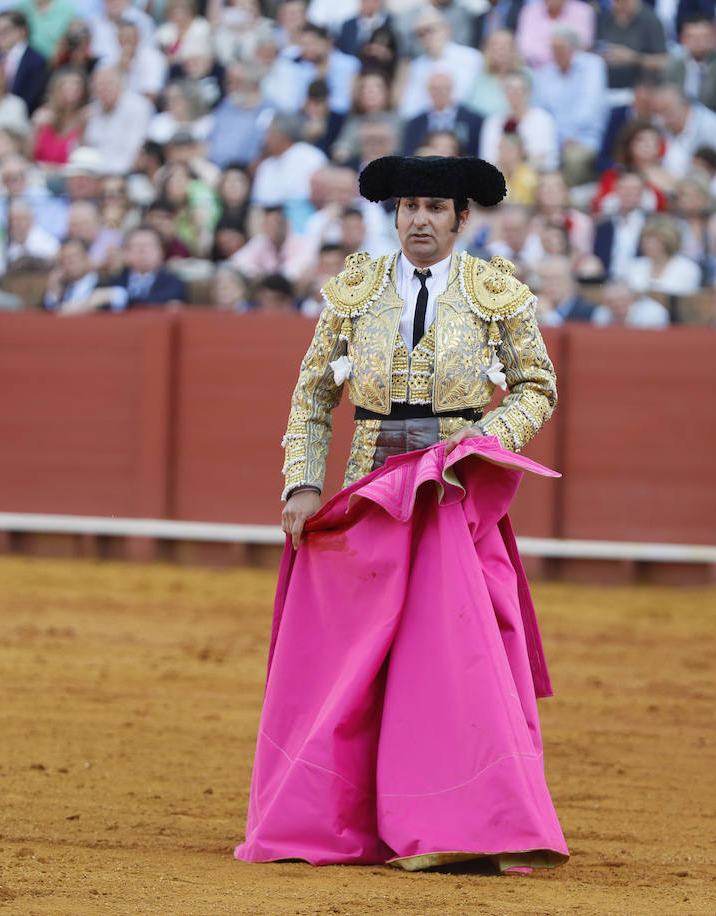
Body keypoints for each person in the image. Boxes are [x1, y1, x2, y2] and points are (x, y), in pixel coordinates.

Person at [238, 154, 565, 873]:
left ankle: (461, 820)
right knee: (356, 661)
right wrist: (302, 484)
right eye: (410, 206)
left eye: (435, 208)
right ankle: (339, 820)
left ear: (461, 218)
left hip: (450, 495)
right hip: (370, 491)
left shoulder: (497, 293)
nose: (420, 219)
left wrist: (482, 445)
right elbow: (313, 396)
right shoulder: (354, 291)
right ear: (395, 215)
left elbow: (536, 385)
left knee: (450, 655)